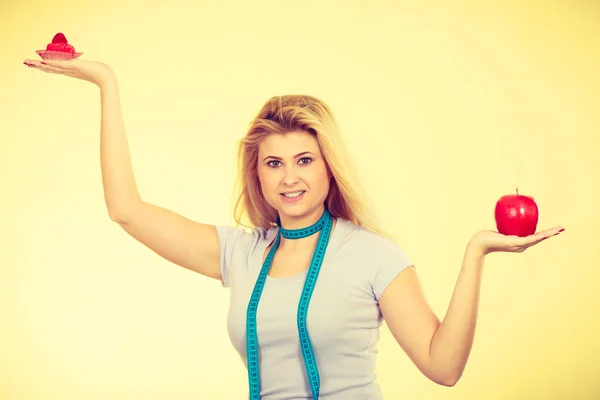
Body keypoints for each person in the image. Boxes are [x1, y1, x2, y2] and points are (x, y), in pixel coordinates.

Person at [23, 57, 564, 399]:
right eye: (273, 163)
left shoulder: (373, 255)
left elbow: (443, 368)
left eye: (304, 160)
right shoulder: (239, 253)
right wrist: (106, 83)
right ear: (255, 174)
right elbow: (127, 210)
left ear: (329, 165)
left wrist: (475, 253)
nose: (289, 179)